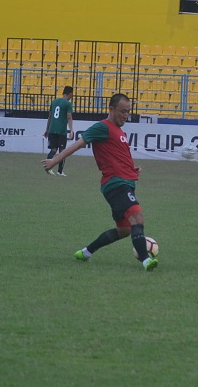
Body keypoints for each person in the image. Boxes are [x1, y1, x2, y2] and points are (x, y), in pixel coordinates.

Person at [42, 93, 158, 271]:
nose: (126, 115)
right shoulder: (102, 127)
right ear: (111, 109)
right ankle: (145, 260)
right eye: (122, 111)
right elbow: (78, 144)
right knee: (137, 217)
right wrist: (55, 161)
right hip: (115, 184)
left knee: (125, 230)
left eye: (128, 112)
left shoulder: (120, 132)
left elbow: (118, 156)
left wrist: (132, 169)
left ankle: (86, 252)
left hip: (124, 182)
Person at [44, 86, 74, 176]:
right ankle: (60, 171)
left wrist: (47, 129)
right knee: (62, 151)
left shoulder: (54, 101)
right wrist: (71, 130)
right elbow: (69, 117)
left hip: (52, 129)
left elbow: (49, 116)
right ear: (70, 94)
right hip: (61, 131)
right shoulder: (68, 104)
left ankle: (48, 168)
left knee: (53, 150)